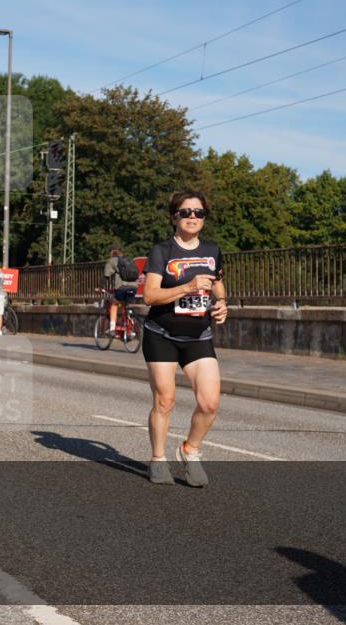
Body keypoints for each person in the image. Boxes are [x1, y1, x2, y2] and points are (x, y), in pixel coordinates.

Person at [142, 190, 228, 487]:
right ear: (174, 217)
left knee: (210, 403)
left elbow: (218, 284)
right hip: (161, 334)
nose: (193, 217)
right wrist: (187, 286)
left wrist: (222, 304)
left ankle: (189, 450)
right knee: (165, 401)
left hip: (198, 335)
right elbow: (150, 295)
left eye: (199, 212)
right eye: (186, 212)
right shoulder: (162, 251)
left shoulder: (213, 250)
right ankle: (157, 459)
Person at [102, 245, 140, 335]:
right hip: (134, 287)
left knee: (114, 304)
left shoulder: (112, 261)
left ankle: (112, 329)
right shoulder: (128, 260)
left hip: (122, 287)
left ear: (111, 252)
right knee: (125, 306)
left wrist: (100, 287)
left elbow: (106, 277)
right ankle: (130, 329)